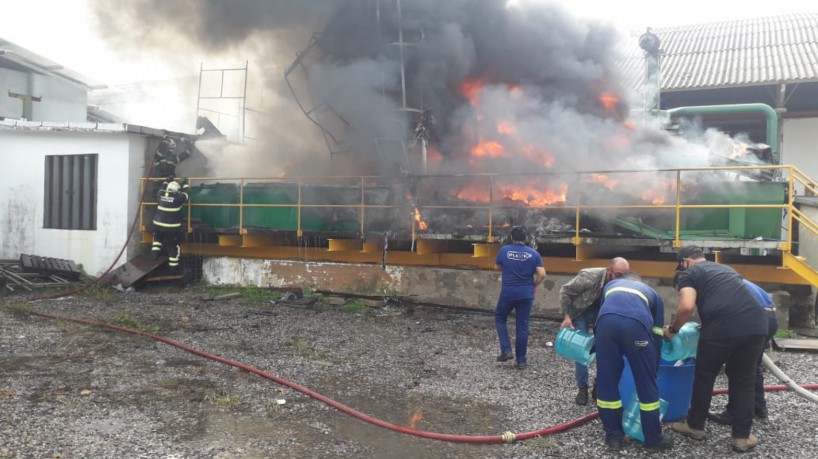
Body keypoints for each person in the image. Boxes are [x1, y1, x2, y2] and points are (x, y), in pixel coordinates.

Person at [665, 245, 768, 453]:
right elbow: (733, 300)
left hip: (722, 329)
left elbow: (686, 306)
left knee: (705, 376)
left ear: (685, 262)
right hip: (757, 326)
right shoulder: (726, 269)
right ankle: (742, 437)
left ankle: (694, 426)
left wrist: (674, 330)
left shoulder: (689, 274)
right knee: (744, 379)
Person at [594, 271, 673, 452]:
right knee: (646, 384)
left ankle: (614, 438)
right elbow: (657, 333)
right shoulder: (653, 294)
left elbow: (604, 312)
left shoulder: (610, 286)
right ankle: (653, 441)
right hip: (636, 328)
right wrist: (653, 366)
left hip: (605, 326)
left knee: (607, 381)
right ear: (640, 282)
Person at [559, 257, 630, 405]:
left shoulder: (623, 284)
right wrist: (567, 316)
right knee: (581, 350)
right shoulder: (590, 277)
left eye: (625, 275)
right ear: (609, 271)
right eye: (618, 275)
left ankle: (599, 386)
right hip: (581, 311)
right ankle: (582, 388)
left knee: (605, 348)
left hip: (602, 312)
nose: (621, 279)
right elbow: (565, 290)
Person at [708, 279, 779, 425]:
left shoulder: (714, 283)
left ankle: (734, 413)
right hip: (770, 318)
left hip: (752, 318)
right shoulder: (736, 280)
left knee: (737, 369)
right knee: (752, 366)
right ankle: (758, 408)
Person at [494, 226, 546, 369]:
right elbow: (542, 274)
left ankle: (506, 350)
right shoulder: (534, 254)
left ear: (511, 237)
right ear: (526, 239)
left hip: (508, 293)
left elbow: (496, 267)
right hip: (526, 294)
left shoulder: (504, 251)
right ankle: (521, 361)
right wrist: (533, 285)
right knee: (522, 326)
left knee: (500, 318)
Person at [151, 177, 190, 268]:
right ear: (177, 191)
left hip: (158, 226)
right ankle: (173, 267)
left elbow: (162, 187)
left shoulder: (160, 195)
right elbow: (187, 194)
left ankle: (154, 255)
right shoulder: (178, 198)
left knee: (157, 239)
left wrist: (167, 180)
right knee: (173, 245)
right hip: (171, 228)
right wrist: (185, 184)